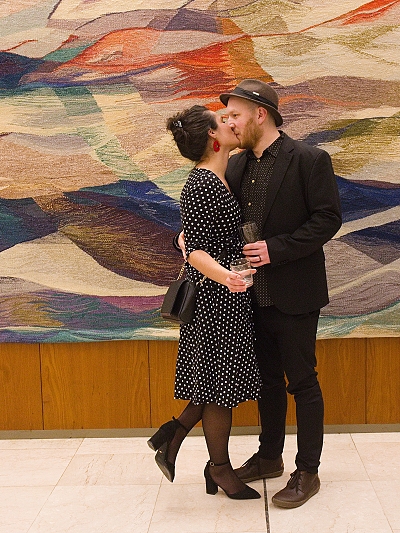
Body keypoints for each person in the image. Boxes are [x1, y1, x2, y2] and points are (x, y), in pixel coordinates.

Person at [221, 79, 343, 508]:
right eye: (227, 116)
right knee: (267, 382)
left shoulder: (309, 159)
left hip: (295, 292)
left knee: (302, 382)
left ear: (261, 114)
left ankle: (307, 471)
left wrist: (277, 248)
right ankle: (269, 457)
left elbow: (327, 219)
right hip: (250, 296)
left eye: (235, 115)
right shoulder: (235, 165)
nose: (230, 123)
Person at [148, 104, 261, 500]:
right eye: (223, 120)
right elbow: (196, 250)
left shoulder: (220, 176)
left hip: (226, 295)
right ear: (213, 136)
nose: (231, 123)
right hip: (215, 299)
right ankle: (218, 468)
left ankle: (174, 435)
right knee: (218, 388)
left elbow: (195, 236)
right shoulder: (201, 183)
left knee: (216, 382)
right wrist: (227, 275)